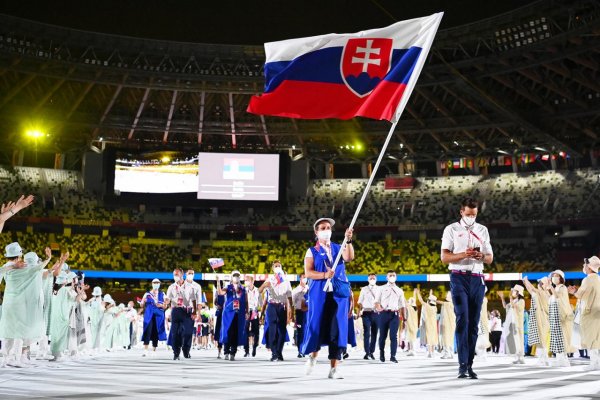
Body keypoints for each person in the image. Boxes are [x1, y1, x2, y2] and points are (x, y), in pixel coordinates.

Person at [441, 198, 493, 379]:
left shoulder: (482, 230)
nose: (472, 217)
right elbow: (445, 257)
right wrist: (464, 254)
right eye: (469, 214)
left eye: (474, 215)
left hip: (477, 278)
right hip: (458, 277)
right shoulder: (452, 229)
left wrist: (480, 255)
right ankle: (462, 365)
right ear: (461, 212)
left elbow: (490, 258)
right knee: (462, 319)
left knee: (473, 324)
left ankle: (469, 364)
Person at [302, 218, 353, 380]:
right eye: (323, 228)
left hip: (337, 295)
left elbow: (349, 257)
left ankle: (333, 369)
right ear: (316, 232)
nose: (326, 229)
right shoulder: (312, 251)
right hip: (319, 295)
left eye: (328, 227)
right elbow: (309, 273)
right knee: (318, 326)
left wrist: (349, 241)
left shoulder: (339, 247)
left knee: (335, 330)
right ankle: (313, 356)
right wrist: (324, 275)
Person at [0, 248, 53, 367]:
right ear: (18, 255)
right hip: (19, 305)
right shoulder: (24, 268)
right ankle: (16, 358)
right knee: (19, 332)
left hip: (8, 303)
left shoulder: (7, 267)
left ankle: (5, 358)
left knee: (9, 331)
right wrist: (48, 258)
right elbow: (38, 268)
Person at [568, 256, 600, 370]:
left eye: (585, 264)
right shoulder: (598, 278)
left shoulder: (587, 279)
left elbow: (580, 295)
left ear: (590, 267)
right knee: (596, 338)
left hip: (589, 312)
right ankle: (596, 362)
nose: (583, 266)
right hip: (597, 312)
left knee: (590, 338)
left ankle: (594, 363)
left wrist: (574, 291)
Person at [259, 261, 293, 361]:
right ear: (273, 269)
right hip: (272, 306)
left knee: (282, 330)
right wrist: (265, 285)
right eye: (276, 266)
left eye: (279, 266)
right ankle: (274, 353)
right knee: (272, 330)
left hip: (282, 306)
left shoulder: (286, 280)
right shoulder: (270, 279)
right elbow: (259, 291)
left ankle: (279, 351)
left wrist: (291, 310)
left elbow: (289, 296)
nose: (278, 267)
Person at [165, 268, 202, 360]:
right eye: (174, 275)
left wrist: (194, 312)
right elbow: (168, 299)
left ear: (182, 275)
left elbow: (194, 299)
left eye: (177, 274)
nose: (175, 276)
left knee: (188, 332)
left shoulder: (190, 286)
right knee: (175, 333)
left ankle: (186, 350)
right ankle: (176, 352)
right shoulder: (171, 287)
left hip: (187, 311)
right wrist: (167, 301)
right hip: (176, 311)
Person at [50, 271, 86, 361]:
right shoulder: (66, 290)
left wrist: (80, 292)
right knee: (61, 335)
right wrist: (80, 292)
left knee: (56, 335)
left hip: (57, 316)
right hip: (64, 316)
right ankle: (59, 354)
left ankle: (57, 354)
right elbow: (76, 300)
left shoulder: (58, 290)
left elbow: (75, 300)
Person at [374, 270, 405, 363]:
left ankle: (393, 356)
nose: (392, 276)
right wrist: (379, 308)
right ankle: (381, 354)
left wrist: (404, 318)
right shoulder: (381, 288)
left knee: (393, 336)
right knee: (382, 336)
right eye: (390, 275)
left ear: (396, 277)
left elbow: (402, 305)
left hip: (394, 314)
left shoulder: (399, 290)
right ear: (386, 277)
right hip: (383, 314)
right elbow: (376, 301)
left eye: (394, 275)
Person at [217, 270, 248, 361]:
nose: (236, 277)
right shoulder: (228, 287)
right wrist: (218, 283)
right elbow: (220, 293)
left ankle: (233, 352)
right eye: (234, 276)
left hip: (239, 313)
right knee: (227, 332)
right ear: (231, 277)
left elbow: (246, 301)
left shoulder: (243, 288)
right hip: (228, 313)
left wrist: (247, 311)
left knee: (236, 332)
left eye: (238, 276)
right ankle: (226, 351)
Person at [548, 269, 575, 367]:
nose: (554, 277)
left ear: (561, 278)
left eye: (556, 276)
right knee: (556, 338)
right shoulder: (556, 288)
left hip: (561, 316)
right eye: (553, 276)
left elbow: (557, 296)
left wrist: (550, 286)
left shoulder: (562, 287)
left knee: (562, 337)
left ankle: (564, 359)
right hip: (554, 317)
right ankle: (559, 359)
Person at [522, 276, 551, 366]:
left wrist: (526, 281)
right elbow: (531, 291)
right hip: (540, 318)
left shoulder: (544, 293)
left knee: (541, 339)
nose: (539, 285)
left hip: (543, 318)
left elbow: (532, 290)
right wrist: (526, 283)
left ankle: (544, 359)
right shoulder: (541, 293)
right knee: (540, 339)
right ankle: (542, 358)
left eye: (541, 283)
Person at [500, 285, 526, 364]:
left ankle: (521, 357)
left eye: (514, 291)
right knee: (514, 340)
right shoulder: (514, 301)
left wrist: (511, 298)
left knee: (518, 339)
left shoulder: (521, 301)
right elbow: (505, 306)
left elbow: (515, 307)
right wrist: (502, 298)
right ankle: (517, 357)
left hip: (517, 323)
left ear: (518, 292)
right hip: (512, 323)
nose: (513, 292)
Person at [357, 273, 379, 360]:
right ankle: (367, 352)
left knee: (374, 333)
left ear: (376, 279)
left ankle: (372, 352)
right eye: (371, 278)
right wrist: (359, 312)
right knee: (366, 333)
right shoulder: (364, 289)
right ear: (368, 279)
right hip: (366, 312)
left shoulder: (379, 289)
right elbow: (360, 302)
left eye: (373, 278)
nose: (372, 279)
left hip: (376, 313)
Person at [415, 289, 439, 358]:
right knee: (433, 337)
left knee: (429, 337)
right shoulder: (435, 308)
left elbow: (421, 301)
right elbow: (429, 301)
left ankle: (429, 352)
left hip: (428, 324)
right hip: (434, 325)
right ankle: (433, 352)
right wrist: (430, 294)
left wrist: (418, 293)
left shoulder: (427, 307)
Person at [292, 274, 309, 358]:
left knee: (307, 332)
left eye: (306, 277)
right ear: (300, 279)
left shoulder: (309, 289)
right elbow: (292, 304)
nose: (305, 279)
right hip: (299, 313)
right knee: (300, 332)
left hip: (308, 313)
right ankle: (300, 350)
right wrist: (291, 315)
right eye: (303, 277)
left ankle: (306, 349)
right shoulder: (295, 291)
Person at [244, 275, 261, 357]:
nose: (246, 282)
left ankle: (254, 347)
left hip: (255, 311)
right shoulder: (244, 290)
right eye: (245, 280)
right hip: (246, 312)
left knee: (256, 332)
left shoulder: (257, 290)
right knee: (245, 331)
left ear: (252, 281)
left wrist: (260, 313)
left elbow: (260, 303)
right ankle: (246, 350)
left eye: (247, 280)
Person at [438, 292, 457, 360]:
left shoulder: (448, 303)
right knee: (451, 339)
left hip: (447, 324)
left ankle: (447, 353)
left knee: (446, 338)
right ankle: (451, 354)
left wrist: (434, 300)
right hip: (452, 324)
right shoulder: (454, 303)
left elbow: (441, 302)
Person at [88, 286, 105, 351]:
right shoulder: (92, 300)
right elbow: (89, 309)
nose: (96, 296)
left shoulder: (102, 301)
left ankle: (98, 347)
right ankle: (93, 347)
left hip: (100, 319)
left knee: (100, 333)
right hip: (93, 319)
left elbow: (102, 310)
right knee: (92, 333)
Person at [214, 282, 226, 359]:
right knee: (219, 332)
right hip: (219, 314)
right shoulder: (216, 293)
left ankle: (226, 350)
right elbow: (215, 301)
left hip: (226, 314)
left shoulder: (225, 291)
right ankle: (219, 351)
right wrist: (217, 305)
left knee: (225, 331)